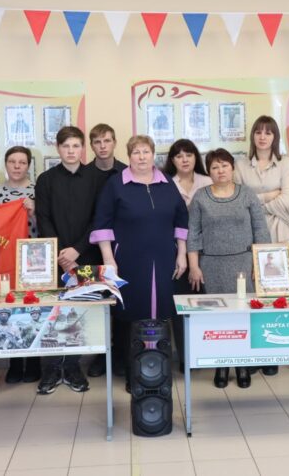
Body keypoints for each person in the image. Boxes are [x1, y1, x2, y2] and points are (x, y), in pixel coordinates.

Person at [90, 135, 189, 390]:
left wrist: (181, 254)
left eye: (146, 152)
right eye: (136, 152)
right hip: (128, 259)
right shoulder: (116, 184)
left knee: (161, 313)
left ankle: (157, 370)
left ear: (153, 154)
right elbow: (102, 224)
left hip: (164, 258)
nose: (142, 157)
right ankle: (134, 371)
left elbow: (181, 220)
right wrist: (109, 260)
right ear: (129, 156)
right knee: (131, 313)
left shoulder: (166, 182)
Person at [188, 149, 271, 389]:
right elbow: (193, 235)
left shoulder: (247, 194)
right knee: (218, 319)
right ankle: (222, 365)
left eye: (224, 165)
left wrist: (260, 265)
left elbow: (261, 230)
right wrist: (194, 266)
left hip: (244, 265)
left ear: (232, 168)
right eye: (214, 167)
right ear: (209, 172)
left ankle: (243, 365)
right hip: (212, 265)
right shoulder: (201, 197)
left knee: (243, 316)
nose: (220, 170)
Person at [35, 126, 106, 393]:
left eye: (76, 146)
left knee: (80, 313)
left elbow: (99, 220)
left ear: (82, 149)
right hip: (55, 258)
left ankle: (74, 367)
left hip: (86, 256)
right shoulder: (46, 179)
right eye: (66, 146)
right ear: (58, 148)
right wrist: (62, 254)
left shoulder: (96, 179)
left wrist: (76, 250)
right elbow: (43, 218)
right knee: (54, 313)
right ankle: (53, 368)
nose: (71, 151)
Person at [234, 115, 289, 376]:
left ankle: (272, 354)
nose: (262, 137)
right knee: (251, 296)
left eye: (268, 133)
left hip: (280, 234)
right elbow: (238, 201)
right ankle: (250, 354)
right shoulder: (240, 164)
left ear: (275, 137)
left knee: (276, 297)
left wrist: (256, 201)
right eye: (258, 132)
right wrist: (272, 195)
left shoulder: (285, 163)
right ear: (253, 137)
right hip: (248, 237)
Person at [163, 139, 212, 371]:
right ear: (172, 160)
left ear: (196, 158)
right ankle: (185, 357)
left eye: (189, 155)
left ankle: (206, 354)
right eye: (179, 155)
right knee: (181, 306)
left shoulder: (208, 181)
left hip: (209, 253)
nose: (184, 159)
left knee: (206, 306)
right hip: (177, 254)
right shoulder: (164, 184)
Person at [0, 146, 39, 384]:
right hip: (6, 259)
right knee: (10, 310)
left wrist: (33, 212)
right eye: (13, 161)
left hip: (33, 259)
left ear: (28, 165)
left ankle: (32, 362)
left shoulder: (38, 191)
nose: (17, 166)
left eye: (22, 162)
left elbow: (49, 222)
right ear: (6, 164)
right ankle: (14, 363)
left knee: (32, 311)